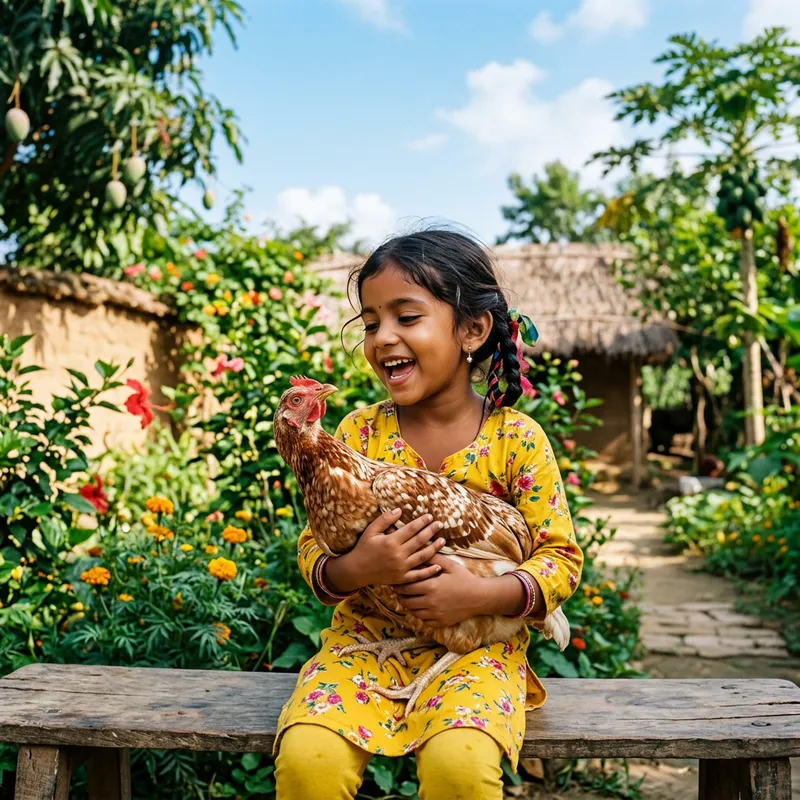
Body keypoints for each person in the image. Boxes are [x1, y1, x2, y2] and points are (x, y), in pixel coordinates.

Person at [274, 229, 583, 800]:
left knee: (460, 768)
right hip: (367, 644)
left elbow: (560, 559)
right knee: (307, 761)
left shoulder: (515, 439)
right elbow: (314, 543)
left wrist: (482, 595)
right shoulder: (358, 433)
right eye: (370, 324)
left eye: (406, 317)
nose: (383, 337)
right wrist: (355, 568)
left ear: (471, 330)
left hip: (476, 650)